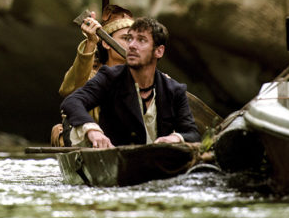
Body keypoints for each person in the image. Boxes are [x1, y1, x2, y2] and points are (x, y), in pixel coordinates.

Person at [60, 17, 201, 148]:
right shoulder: (109, 77)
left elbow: (193, 134)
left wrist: (175, 138)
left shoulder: (174, 89)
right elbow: (72, 101)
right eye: (129, 39)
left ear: (159, 51)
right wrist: (91, 129)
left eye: (141, 40)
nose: (132, 45)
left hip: (156, 162)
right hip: (112, 158)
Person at [48, 5, 133, 146]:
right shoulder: (93, 76)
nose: (132, 45)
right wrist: (91, 42)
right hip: (92, 140)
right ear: (106, 43)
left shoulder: (143, 78)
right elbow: (70, 91)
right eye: (126, 38)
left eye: (135, 39)